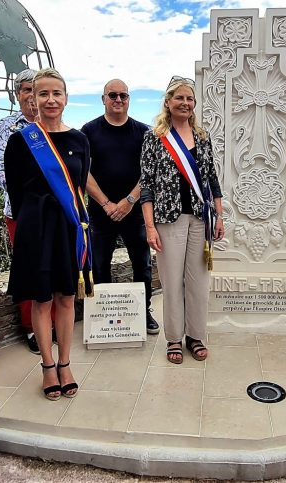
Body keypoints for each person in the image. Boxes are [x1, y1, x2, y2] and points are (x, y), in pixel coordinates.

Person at [3, 68, 90, 400]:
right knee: (41, 299)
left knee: (66, 297)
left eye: (57, 93)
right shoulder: (22, 140)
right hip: (36, 228)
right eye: (43, 94)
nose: (50, 99)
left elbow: (79, 188)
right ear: (32, 99)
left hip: (69, 228)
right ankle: (48, 365)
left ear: (66, 98)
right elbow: (16, 192)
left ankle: (66, 362)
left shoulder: (80, 140)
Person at [140, 76, 224, 364]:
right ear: (168, 102)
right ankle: (174, 338)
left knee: (198, 280)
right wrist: (149, 226)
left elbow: (212, 178)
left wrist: (219, 215)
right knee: (172, 281)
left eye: (190, 99)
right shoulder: (154, 137)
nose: (185, 103)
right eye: (179, 98)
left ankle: (196, 336)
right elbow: (146, 184)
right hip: (167, 219)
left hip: (201, 218)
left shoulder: (202, 136)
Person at [82, 78, 159, 334]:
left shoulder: (143, 132)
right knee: (100, 265)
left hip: (135, 211)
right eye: (112, 95)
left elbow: (148, 171)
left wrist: (128, 202)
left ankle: (143, 312)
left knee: (142, 265)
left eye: (123, 96)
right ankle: (102, 314)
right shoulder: (89, 131)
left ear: (129, 99)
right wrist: (106, 203)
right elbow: (83, 172)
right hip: (100, 212)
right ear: (103, 99)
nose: (118, 100)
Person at [0, 69, 47, 353]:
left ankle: (52, 323)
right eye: (27, 90)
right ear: (17, 94)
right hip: (21, 212)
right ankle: (32, 327)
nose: (33, 97)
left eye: (38, 90)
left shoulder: (56, 125)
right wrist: (32, 195)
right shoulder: (7, 128)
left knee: (53, 267)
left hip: (55, 213)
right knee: (28, 268)